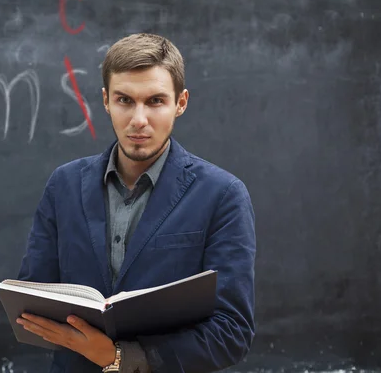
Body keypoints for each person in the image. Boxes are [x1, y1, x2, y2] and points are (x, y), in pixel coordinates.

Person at [15, 33, 256, 373]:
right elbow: (34, 302)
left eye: (155, 101)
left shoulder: (223, 195)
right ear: (105, 100)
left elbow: (232, 333)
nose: (138, 120)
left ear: (181, 102)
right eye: (125, 100)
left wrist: (118, 357)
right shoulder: (64, 185)